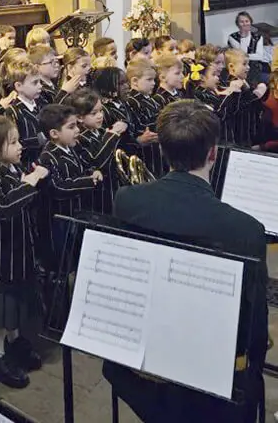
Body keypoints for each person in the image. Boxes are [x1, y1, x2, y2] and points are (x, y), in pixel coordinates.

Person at [103, 100, 268, 423]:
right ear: (213, 154)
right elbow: (254, 322)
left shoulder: (127, 199)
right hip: (212, 377)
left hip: (143, 364)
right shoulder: (245, 228)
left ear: (161, 149)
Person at [0, 116, 48, 388]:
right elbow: (2, 209)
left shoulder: (13, 168)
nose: (20, 147)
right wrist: (29, 182)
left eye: (19, 141)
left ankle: (15, 341)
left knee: (17, 302)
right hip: (2, 254)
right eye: (13, 142)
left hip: (21, 250)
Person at [39, 104, 102, 258]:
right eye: (71, 127)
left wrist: (93, 171)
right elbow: (58, 187)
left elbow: (84, 164)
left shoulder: (72, 147)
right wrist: (87, 181)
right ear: (54, 133)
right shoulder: (48, 156)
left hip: (77, 213)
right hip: (61, 219)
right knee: (64, 256)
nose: (78, 130)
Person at [72, 89, 123, 214]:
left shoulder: (102, 131)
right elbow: (96, 162)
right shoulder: (80, 138)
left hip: (113, 186)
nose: (100, 116)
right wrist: (111, 136)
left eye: (101, 111)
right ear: (79, 118)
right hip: (99, 193)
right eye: (93, 113)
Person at [5, 60, 44, 169]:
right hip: (28, 164)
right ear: (19, 86)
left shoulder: (42, 104)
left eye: (40, 82)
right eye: (35, 83)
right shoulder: (13, 112)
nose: (40, 86)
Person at [227, 11, 269, 83]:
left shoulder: (258, 37)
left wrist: (248, 56)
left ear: (250, 22)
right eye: (241, 22)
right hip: (238, 67)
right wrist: (243, 36)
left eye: (247, 21)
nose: (245, 24)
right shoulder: (232, 37)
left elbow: (259, 56)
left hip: (255, 68)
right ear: (237, 24)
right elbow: (242, 56)